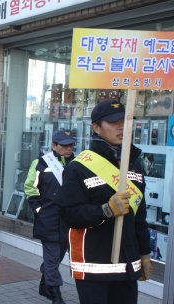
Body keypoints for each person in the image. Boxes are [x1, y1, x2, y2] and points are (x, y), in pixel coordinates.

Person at [57, 100, 151, 304]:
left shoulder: (133, 164)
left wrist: (144, 253)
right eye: (113, 122)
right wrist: (105, 210)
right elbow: (69, 214)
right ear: (96, 128)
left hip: (127, 266)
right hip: (94, 266)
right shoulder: (79, 167)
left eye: (125, 121)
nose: (121, 127)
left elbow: (139, 216)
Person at [24, 130, 76, 304]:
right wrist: (39, 210)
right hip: (49, 220)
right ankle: (56, 294)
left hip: (69, 221)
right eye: (64, 145)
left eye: (71, 145)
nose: (68, 148)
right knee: (53, 258)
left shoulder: (77, 164)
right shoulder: (40, 163)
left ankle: (44, 283)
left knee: (57, 257)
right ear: (53, 146)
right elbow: (30, 188)